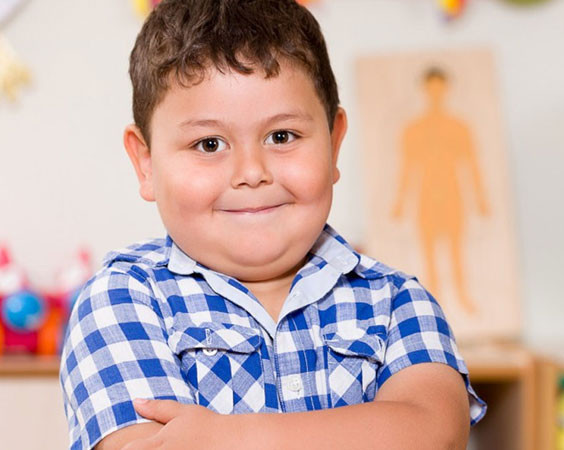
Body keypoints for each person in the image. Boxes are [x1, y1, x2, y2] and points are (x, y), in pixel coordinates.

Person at [58, 1, 486, 449]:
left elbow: (433, 433)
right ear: (146, 162)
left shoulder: (398, 301)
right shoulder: (121, 300)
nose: (251, 172)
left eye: (282, 136)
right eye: (209, 144)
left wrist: (227, 438)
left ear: (334, 142)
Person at [392, 68, 490, 315]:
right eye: (431, 88)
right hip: (426, 193)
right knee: (429, 251)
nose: (435, 93)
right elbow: (408, 169)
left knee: (456, 248)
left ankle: (462, 295)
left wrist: (480, 199)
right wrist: (400, 203)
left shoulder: (458, 127)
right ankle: (432, 302)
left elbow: (471, 166)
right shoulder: (415, 129)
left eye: (439, 88)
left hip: (452, 192)